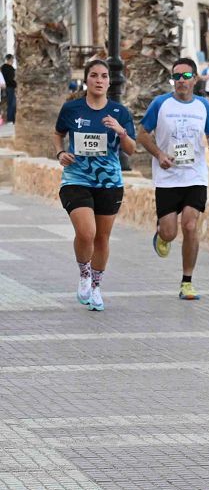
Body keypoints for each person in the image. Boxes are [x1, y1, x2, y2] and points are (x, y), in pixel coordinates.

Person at [53, 59, 137, 312]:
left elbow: (131, 150)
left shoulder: (120, 112)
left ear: (109, 82)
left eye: (103, 76)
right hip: (76, 179)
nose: (99, 80)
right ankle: (84, 274)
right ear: (86, 80)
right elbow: (58, 134)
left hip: (109, 182)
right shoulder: (72, 109)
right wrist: (60, 154)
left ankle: (97, 287)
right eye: (94, 75)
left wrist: (121, 131)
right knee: (87, 232)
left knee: (102, 237)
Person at [137, 58, 209, 300]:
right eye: (177, 77)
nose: (181, 81)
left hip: (195, 176)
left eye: (186, 76)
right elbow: (142, 135)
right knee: (170, 233)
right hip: (167, 178)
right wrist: (159, 154)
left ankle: (187, 282)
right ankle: (162, 234)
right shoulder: (161, 104)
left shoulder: (203, 106)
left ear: (195, 79)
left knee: (191, 225)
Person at [1, 55, 15, 124]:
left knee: (11, 104)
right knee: (11, 104)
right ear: (9, 59)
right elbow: (10, 79)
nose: (13, 61)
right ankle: (10, 119)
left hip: (9, 87)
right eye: (12, 59)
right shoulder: (7, 68)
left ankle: (11, 119)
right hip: (10, 87)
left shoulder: (5, 67)